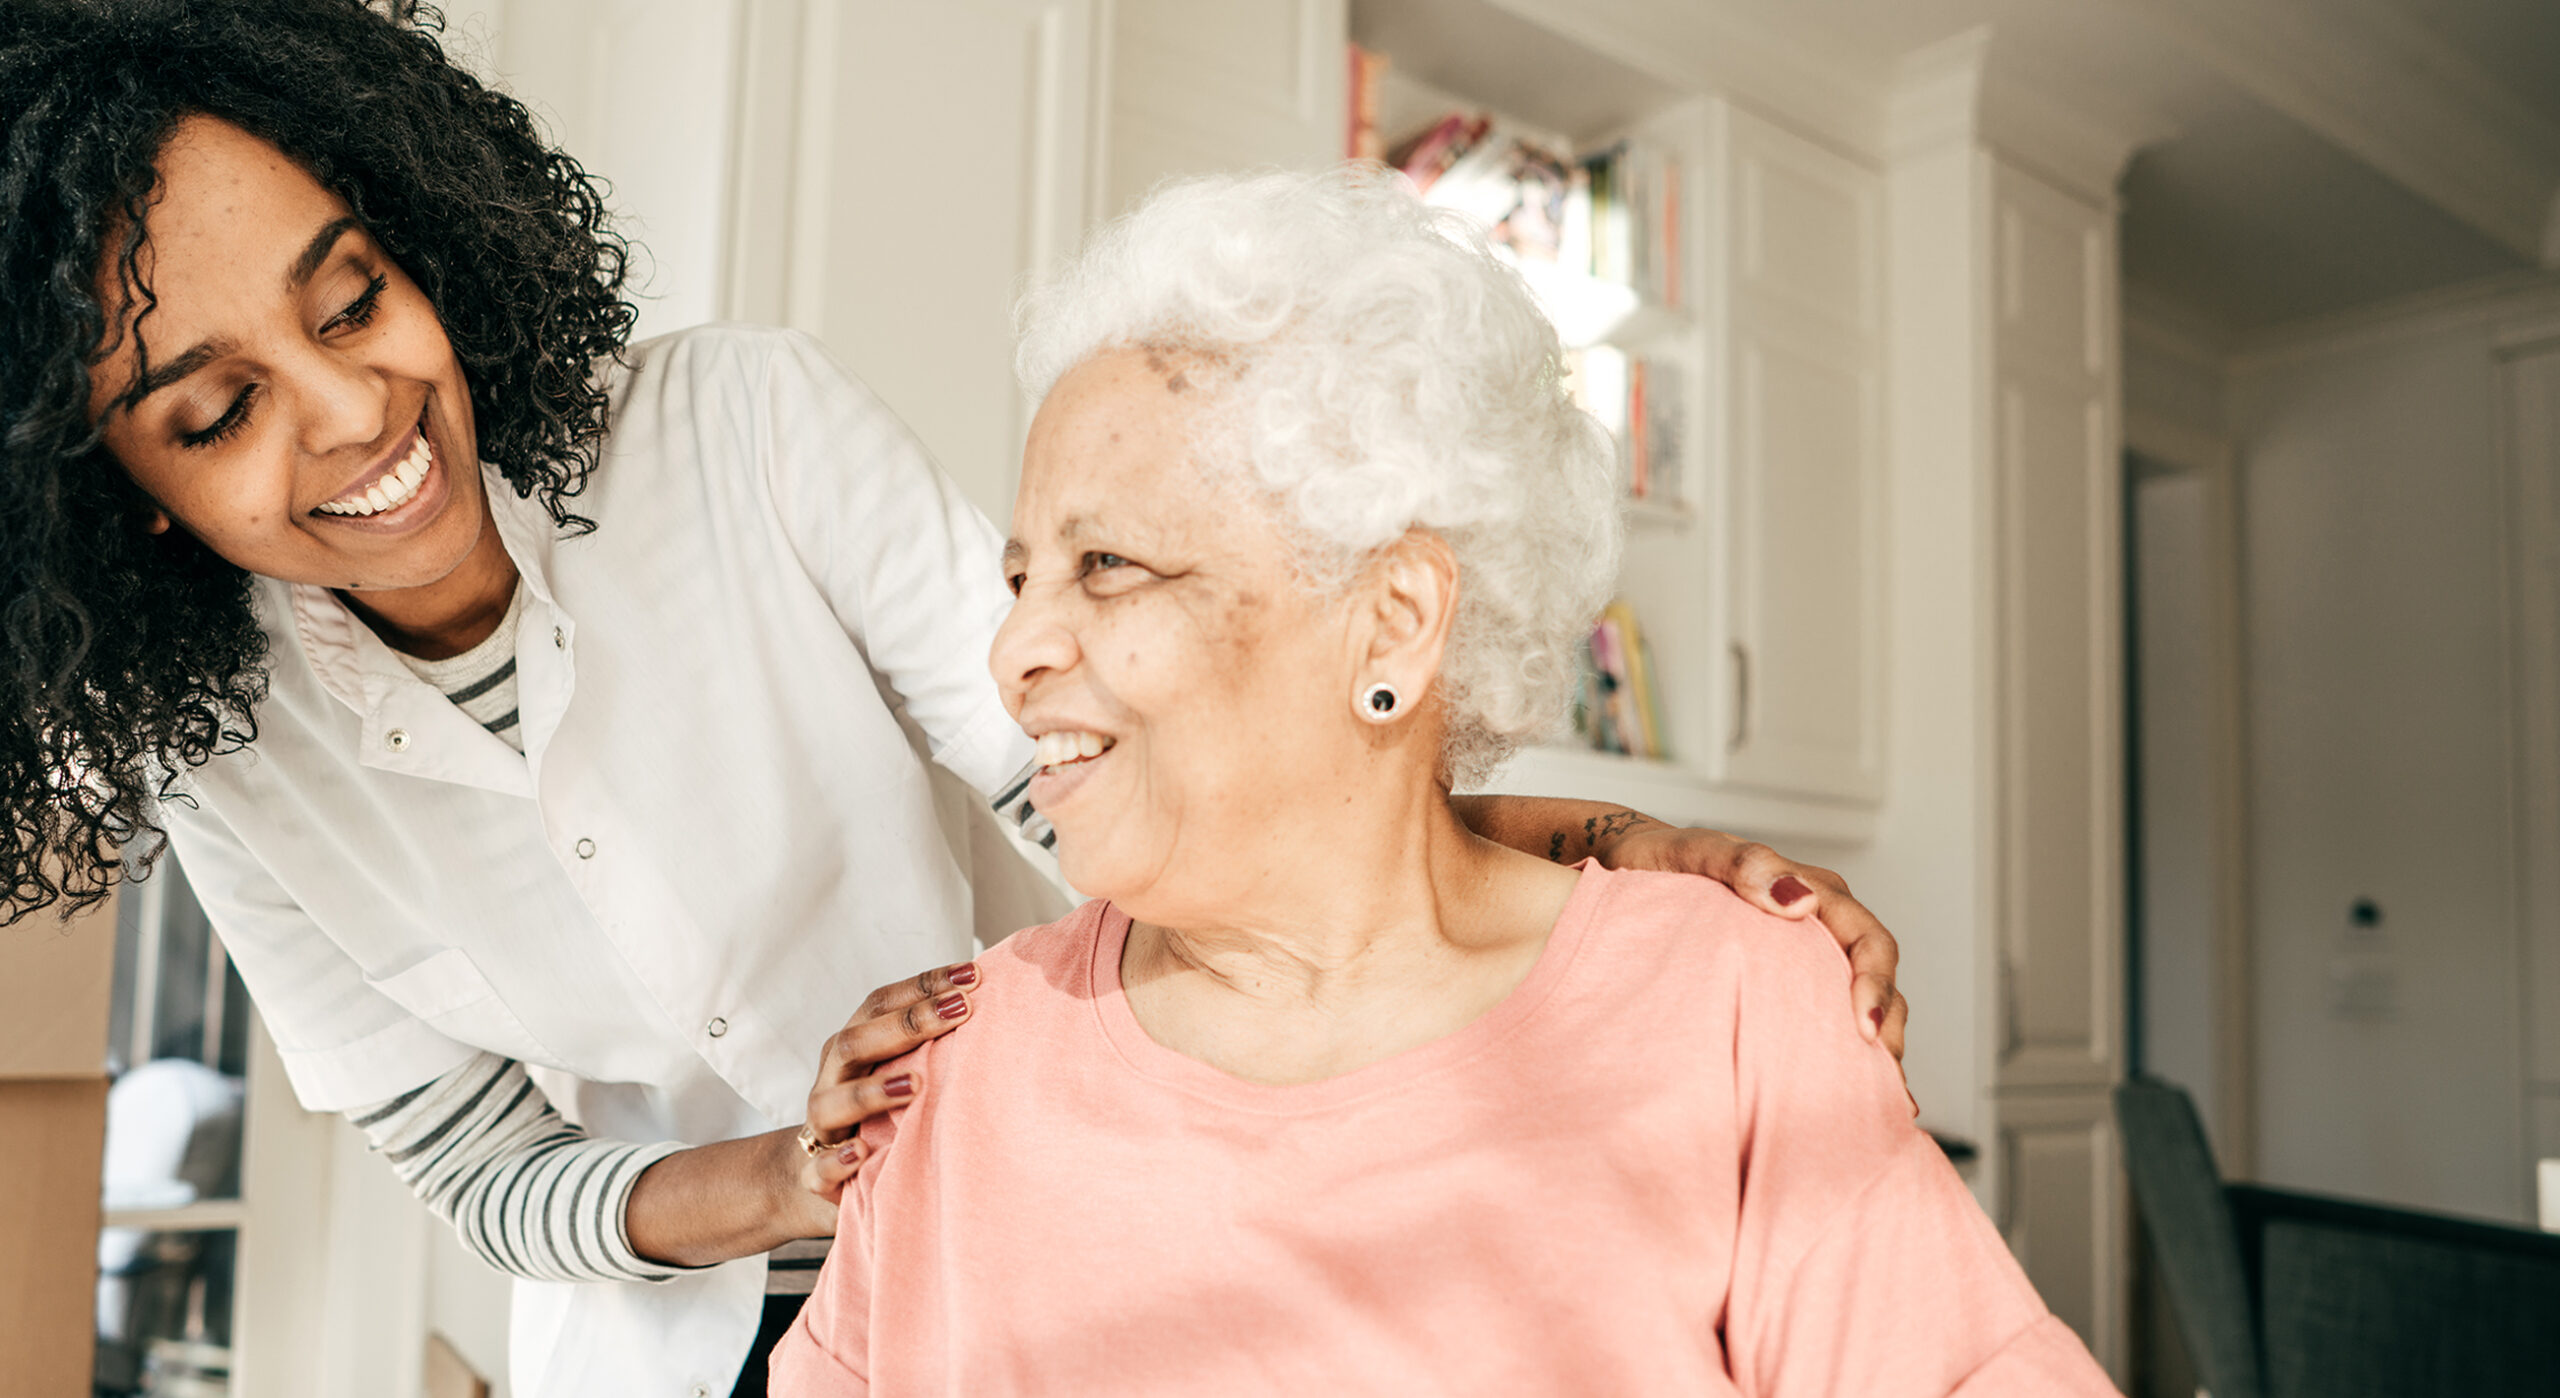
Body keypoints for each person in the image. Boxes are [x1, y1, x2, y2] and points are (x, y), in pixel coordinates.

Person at [0, 3, 1910, 1393]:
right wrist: (778, 1176)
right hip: (669, 1344)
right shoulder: (233, 770)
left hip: (1043, 1248)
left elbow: (1125, 776)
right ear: (117, 499)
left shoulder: (733, 431)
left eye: (352, 300)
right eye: (216, 409)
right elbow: (473, 1164)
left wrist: (1598, 854)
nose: (351, 413)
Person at [769, 165, 2117, 1396]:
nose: (1011, 651)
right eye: (1020, 582)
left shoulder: (1734, 1004)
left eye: (1106, 563)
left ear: (1394, 619)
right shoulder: (945, 1071)